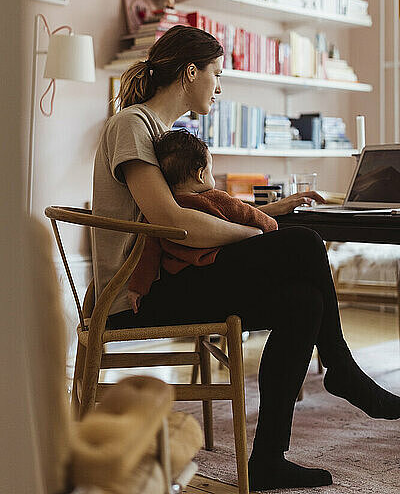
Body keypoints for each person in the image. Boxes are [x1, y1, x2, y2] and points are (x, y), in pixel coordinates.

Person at [92, 25, 400, 491]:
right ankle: (343, 371)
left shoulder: (165, 133)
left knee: (303, 301)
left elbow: (201, 206)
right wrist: (257, 233)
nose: (219, 87)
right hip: (137, 294)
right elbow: (171, 221)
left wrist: (272, 212)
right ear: (190, 72)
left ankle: (269, 459)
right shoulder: (131, 125)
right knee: (302, 244)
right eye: (216, 74)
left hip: (172, 279)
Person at [127, 128, 278, 309]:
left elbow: (148, 254)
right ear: (200, 174)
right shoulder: (218, 199)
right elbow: (258, 219)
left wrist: (138, 288)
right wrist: (271, 226)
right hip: (220, 274)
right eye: (210, 171)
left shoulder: (157, 212)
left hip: (178, 280)